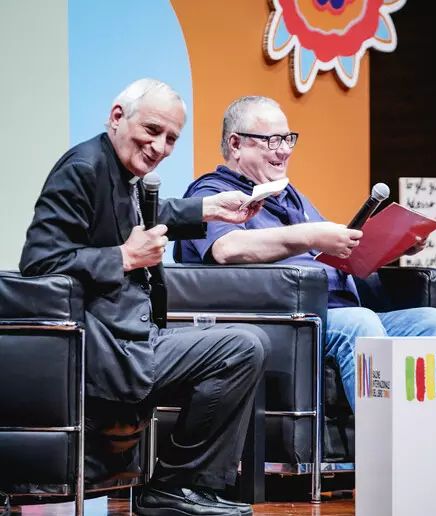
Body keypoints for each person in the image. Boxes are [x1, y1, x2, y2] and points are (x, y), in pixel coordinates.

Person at [20, 79, 269, 515]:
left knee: (244, 345)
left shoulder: (123, 171)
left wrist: (211, 209)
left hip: (134, 335)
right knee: (240, 348)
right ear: (118, 117)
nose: (160, 146)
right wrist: (124, 257)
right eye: (152, 131)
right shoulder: (83, 168)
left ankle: (188, 487)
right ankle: (176, 486)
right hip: (107, 346)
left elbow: (148, 215)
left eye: (171, 138)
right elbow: (39, 262)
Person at [174, 95, 436, 409]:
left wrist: (395, 245)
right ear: (237, 144)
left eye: (287, 138)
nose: (283, 150)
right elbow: (227, 249)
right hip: (292, 322)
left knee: (435, 323)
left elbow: (340, 257)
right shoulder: (213, 191)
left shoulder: (292, 197)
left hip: (344, 311)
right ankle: (382, 451)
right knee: (361, 324)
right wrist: (308, 236)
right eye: (271, 140)